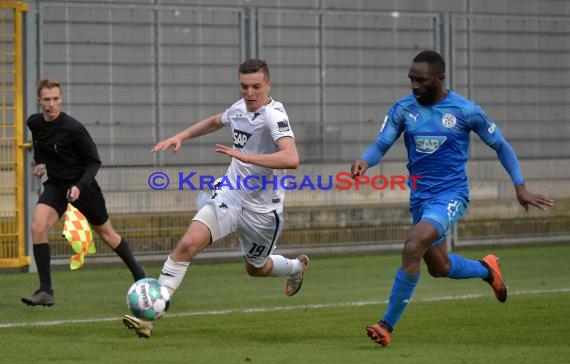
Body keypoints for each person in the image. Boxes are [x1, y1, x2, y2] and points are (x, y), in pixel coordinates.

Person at [351, 50, 555, 347]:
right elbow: (382, 143)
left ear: (439, 78)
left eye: (421, 80)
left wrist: (519, 186)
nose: (414, 86)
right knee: (439, 268)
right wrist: (365, 161)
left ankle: (386, 325)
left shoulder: (464, 110)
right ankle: (487, 269)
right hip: (420, 198)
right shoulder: (403, 108)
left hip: (451, 196)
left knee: (412, 246)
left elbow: (501, 146)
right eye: (411, 80)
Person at [122, 58, 309, 338]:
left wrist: (246, 156)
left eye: (256, 86)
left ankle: (296, 267)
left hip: (262, 212)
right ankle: (151, 319)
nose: (249, 93)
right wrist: (182, 136)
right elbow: (213, 122)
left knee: (255, 268)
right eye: (244, 86)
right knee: (186, 245)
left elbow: (291, 158)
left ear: (268, 84)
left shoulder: (274, 115)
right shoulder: (238, 108)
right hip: (231, 194)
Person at [22, 78, 146, 307]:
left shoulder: (74, 128)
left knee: (107, 235)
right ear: (39, 101)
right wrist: (39, 162)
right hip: (57, 185)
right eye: (46, 100)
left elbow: (94, 162)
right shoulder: (34, 123)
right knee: (37, 226)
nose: (51, 104)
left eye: (55, 99)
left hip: (83, 186)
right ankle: (45, 291)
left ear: (61, 99)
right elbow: (38, 143)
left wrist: (79, 186)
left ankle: (140, 277)